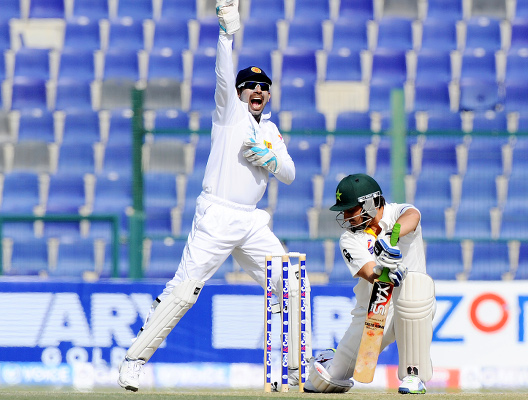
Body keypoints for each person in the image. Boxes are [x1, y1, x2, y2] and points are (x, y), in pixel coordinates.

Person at [118, 1, 301, 391]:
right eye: (251, 86)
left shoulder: (270, 131)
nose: (258, 91)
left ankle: (301, 368)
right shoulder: (229, 112)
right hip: (217, 216)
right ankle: (134, 360)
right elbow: (222, 74)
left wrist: (270, 159)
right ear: (239, 92)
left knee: (290, 282)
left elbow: (290, 174)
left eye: (264, 88)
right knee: (185, 292)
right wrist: (225, 34)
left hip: (252, 221)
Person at [304, 173, 436, 394]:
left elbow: (413, 217)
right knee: (324, 382)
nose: (346, 217)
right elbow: (368, 273)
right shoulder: (349, 239)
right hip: (373, 312)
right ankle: (332, 358)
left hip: (411, 304)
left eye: (350, 210)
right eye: (343, 211)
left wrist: (390, 238)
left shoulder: (397, 212)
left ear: (370, 203)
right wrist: (383, 272)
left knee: (413, 291)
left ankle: (414, 375)